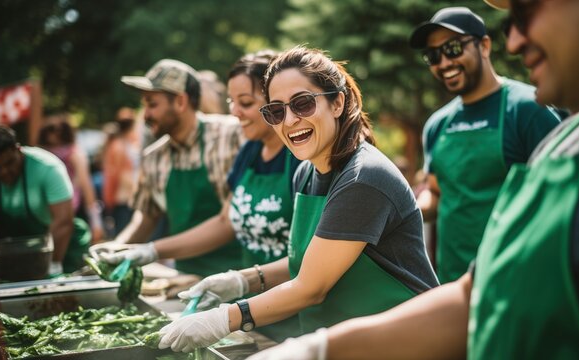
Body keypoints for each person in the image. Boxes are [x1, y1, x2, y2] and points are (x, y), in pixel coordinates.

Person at [248, 0, 579, 359]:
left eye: (527, 11)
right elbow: (474, 290)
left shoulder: (529, 110)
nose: (515, 40)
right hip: (461, 277)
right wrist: (320, 349)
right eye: (433, 55)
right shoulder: (447, 126)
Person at [155, 46, 438, 353]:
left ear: (337, 103)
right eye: (276, 110)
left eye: (302, 104)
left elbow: (310, 288)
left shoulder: (363, 178)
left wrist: (223, 318)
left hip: (399, 345)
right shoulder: (305, 173)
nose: (289, 120)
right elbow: (307, 264)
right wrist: (241, 280)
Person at [91, 50, 303, 341]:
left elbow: (307, 262)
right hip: (241, 303)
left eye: (245, 103)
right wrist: (138, 250)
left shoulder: (289, 154)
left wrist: (240, 279)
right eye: (232, 102)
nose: (235, 113)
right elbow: (225, 220)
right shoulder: (250, 151)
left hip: (288, 308)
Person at [409, 6, 560, 283]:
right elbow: (437, 194)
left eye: (453, 48)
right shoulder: (437, 124)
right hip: (452, 282)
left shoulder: (527, 108)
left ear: (485, 45)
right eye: (433, 56)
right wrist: (402, 211)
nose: (443, 63)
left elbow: (560, 198)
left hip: (517, 279)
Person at [97, 59, 244, 276]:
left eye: (152, 104)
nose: (145, 115)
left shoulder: (231, 135)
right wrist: (116, 249)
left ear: (181, 102)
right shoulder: (153, 158)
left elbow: (233, 218)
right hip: (187, 279)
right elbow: (146, 218)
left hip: (242, 274)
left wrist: (152, 250)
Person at [0, 126, 80, 275]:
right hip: (9, 250)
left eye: (9, 163)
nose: (4, 171)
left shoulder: (48, 168)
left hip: (60, 243)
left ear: (18, 150)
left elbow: (63, 222)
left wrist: (52, 266)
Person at [38, 113, 104, 245]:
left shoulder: (72, 153)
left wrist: (95, 220)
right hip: (55, 205)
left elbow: (85, 183)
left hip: (69, 204)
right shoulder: (66, 152)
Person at [101, 107, 141, 236]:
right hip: (124, 198)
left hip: (128, 198)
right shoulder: (119, 146)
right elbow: (119, 175)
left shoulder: (128, 144)